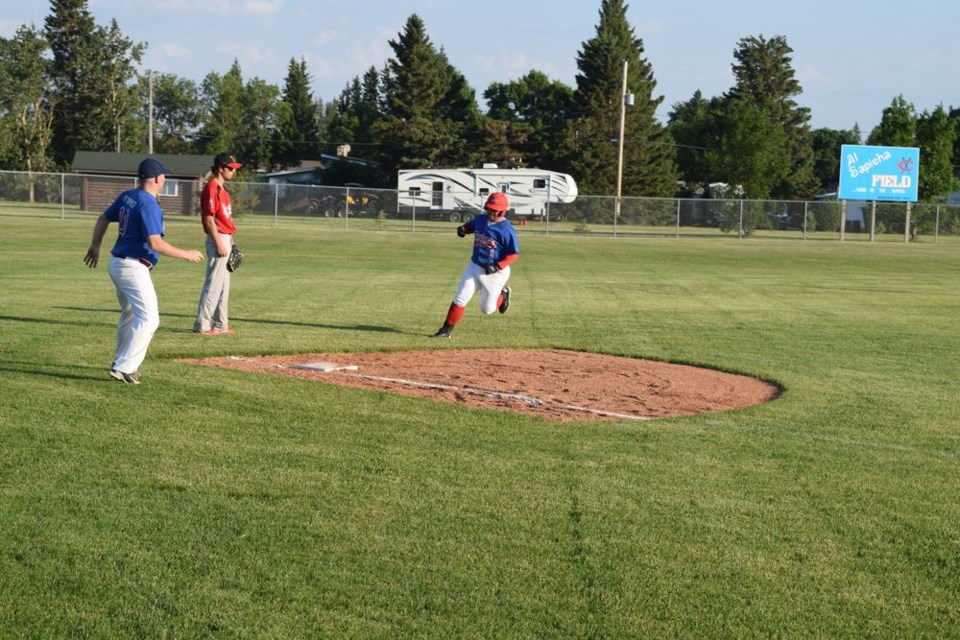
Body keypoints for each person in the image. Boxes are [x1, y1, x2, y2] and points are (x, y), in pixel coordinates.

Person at [84, 158, 205, 384]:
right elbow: (155, 243)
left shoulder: (128, 195)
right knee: (149, 319)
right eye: (164, 176)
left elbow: (103, 218)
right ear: (158, 178)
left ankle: (119, 361)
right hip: (132, 266)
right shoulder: (148, 203)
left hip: (119, 264)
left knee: (130, 315)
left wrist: (96, 245)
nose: (165, 179)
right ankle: (124, 367)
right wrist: (186, 254)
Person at [430, 192, 517, 339]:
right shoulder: (481, 219)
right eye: (489, 208)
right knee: (460, 297)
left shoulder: (506, 230)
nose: (491, 212)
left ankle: (504, 294)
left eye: (495, 210)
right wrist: (463, 229)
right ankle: (446, 331)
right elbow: (471, 226)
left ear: (502, 211)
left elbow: (513, 254)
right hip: (475, 265)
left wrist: (498, 266)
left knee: (487, 309)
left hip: (495, 272)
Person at [193, 152, 243, 335]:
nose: (233, 171)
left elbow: (225, 219)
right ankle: (202, 325)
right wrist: (219, 243)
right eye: (230, 168)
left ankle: (220, 323)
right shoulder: (211, 188)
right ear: (220, 168)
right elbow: (208, 219)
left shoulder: (223, 190)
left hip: (225, 237)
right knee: (213, 283)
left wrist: (230, 241)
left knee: (223, 285)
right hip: (218, 238)